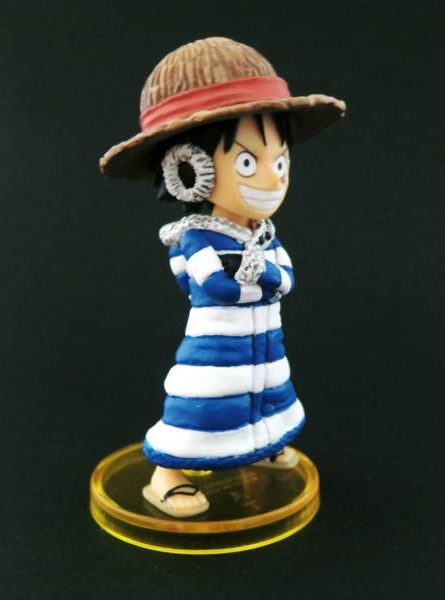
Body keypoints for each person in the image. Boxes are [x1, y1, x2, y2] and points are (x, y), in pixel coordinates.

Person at [100, 37, 346, 518]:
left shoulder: (262, 234)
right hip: (217, 347)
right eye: (248, 162)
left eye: (280, 161)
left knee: (271, 392)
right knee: (206, 405)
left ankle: (264, 442)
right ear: (188, 168)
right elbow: (217, 287)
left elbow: (286, 279)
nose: (272, 179)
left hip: (265, 339)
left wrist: (261, 278)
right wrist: (263, 281)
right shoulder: (195, 238)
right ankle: (165, 474)